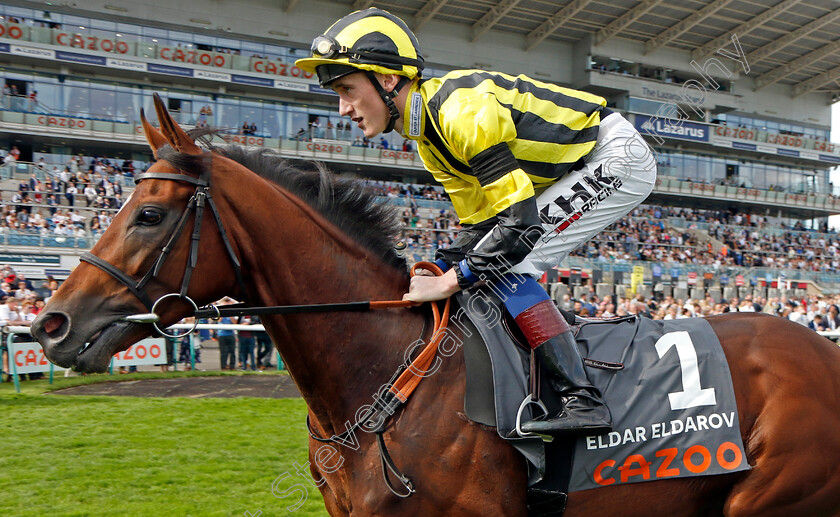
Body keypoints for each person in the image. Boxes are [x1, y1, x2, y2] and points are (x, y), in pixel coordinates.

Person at [296, 8, 657, 437]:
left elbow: (520, 228)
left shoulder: (459, 112)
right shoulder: (427, 138)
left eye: (347, 89)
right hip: (572, 167)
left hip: (614, 157)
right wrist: (433, 269)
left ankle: (584, 399)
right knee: (485, 261)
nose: (343, 109)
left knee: (511, 266)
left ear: (387, 80)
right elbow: (479, 225)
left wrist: (449, 281)